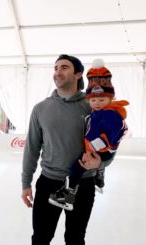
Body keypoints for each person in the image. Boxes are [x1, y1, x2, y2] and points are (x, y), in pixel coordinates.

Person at [21, 54, 114, 245]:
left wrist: (101, 163)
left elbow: (110, 146)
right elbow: (31, 148)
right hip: (48, 183)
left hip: (83, 184)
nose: (57, 72)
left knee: (75, 238)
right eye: (55, 68)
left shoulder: (92, 107)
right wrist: (25, 183)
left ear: (78, 74)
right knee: (40, 238)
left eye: (64, 67)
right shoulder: (41, 109)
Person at [48, 59, 129, 211]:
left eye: (101, 99)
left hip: (98, 151)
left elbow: (116, 133)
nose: (97, 103)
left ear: (110, 99)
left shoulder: (110, 114)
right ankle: (99, 177)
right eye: (93, 100)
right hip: (95, 149)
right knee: (80, 167)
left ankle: (67, 195)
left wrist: (95, 146)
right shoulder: (98, 111)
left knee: (76, 168)